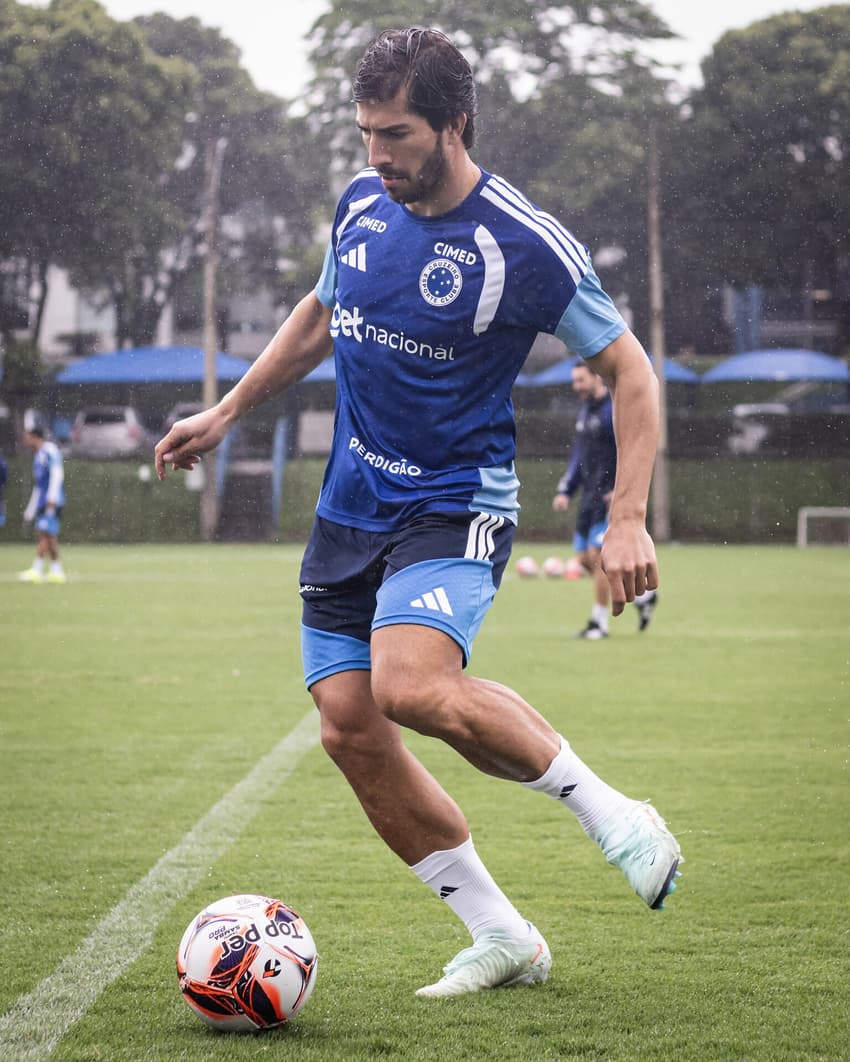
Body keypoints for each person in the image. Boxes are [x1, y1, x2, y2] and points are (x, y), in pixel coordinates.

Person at [155, 27, 681, 998]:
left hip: (455, 499)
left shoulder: (522, 244)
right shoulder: (361, 203)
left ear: (454, 123)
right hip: (351, 506)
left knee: (407, 683)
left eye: (394, 134)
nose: (376, 155)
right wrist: (227, 410)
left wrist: (626, 516)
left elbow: (630, 369)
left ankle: (612, 810)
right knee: (349, 728)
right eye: (364, 132)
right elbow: (320, 315)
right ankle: (501, 935)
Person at [552, 360, 658, 639]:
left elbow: (631, 450)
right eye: (574, 381)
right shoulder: (585, 411)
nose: (576, 387)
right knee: (585, 560)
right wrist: (566, 489)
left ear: (596, 379)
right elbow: (579, 456)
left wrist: (622, 490)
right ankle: (645, 600)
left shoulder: (614, 411)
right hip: (588, 498)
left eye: (580, 381)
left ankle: (598, 623)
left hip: (608, 498)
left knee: (599, 560)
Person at [19, 424, 66, 584]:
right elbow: (38, 486)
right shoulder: (37, 456)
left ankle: (36, 570)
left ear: (35, 437)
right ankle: (57, 571)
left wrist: (52, 498)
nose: (25, 439)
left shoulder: (49, 450)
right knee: (50, 536)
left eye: (27, 436)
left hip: (51, 502)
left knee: (43, 533)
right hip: (43, 502)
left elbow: (57, 473)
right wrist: (30, 510)